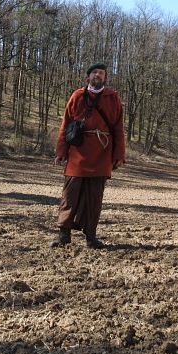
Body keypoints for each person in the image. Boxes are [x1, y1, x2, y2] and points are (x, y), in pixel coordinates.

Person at [52, 63, 126, 249]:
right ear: (88, 78)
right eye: (94, 72)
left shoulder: (112, 98)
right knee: (70, 195)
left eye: (101, 73)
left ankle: (91, 237)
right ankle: (63, 235)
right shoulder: (77, 96)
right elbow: (65, 124)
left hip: (102, 153)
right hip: (77, 153)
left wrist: (119, 155)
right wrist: (61, 151)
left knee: (94, 198)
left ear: (105, 78)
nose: (98, 75)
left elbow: (118, 128)